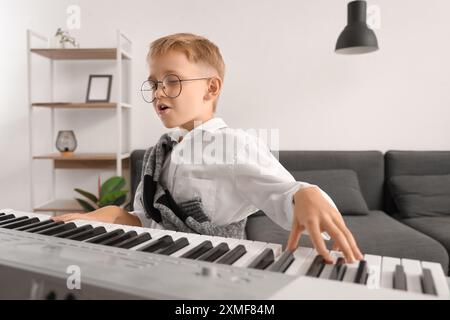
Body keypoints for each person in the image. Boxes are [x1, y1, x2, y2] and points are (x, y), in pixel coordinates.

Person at [54, 33, 363, 263]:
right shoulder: (158, 154)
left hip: (217, 269)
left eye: (172, 81)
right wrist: (112, 215)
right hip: (156, 264)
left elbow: (283, 194)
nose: (159, 91)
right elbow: (148, 219)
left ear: (211, 88)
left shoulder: (234, 144)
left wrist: (304, 193)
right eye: (153, 83)